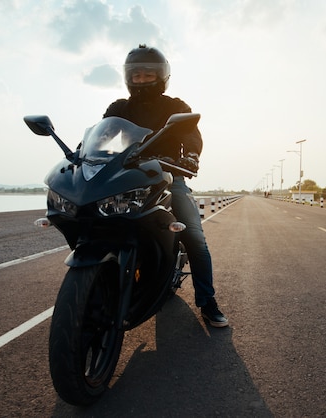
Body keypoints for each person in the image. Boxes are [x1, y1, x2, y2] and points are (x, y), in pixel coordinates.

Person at [103, 44, 228, 327]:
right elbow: (103, 136)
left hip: (170, 179)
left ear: (161, 76)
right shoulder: (119, 108)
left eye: (149, 74)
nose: (143, 79)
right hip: (127, 181)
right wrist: (83, 154)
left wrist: (191, 155)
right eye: (137, 74)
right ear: (128, 77)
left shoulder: (175, 106)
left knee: (195, 238)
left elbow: (191, 134)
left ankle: (207, 303)